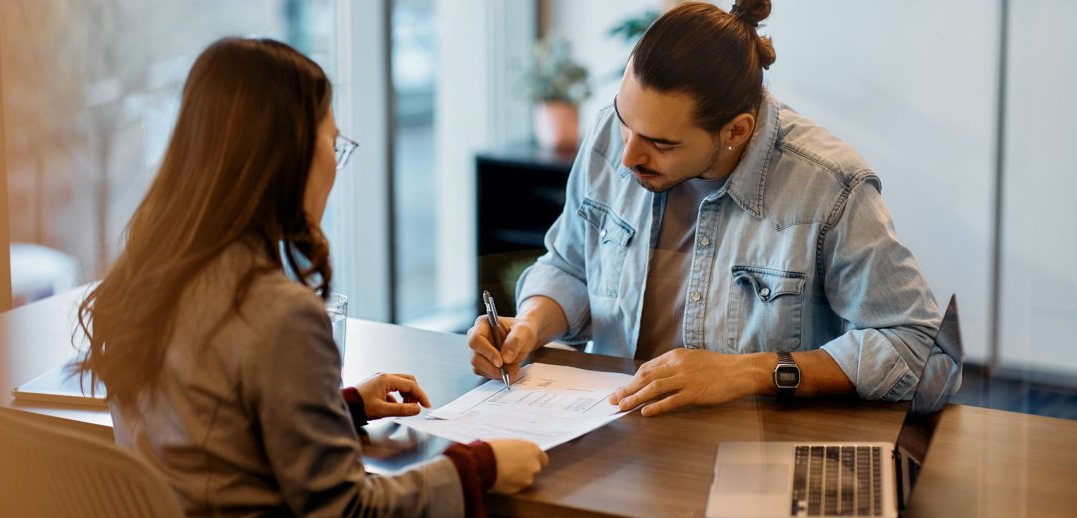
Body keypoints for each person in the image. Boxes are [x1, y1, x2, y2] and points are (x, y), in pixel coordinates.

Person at [75, 37, 546, 517]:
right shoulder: (277, 312)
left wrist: (336, 408)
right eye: (333, 142)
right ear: (288, 155)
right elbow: (345, 510)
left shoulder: (147, 280)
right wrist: (477, 466)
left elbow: (212, 438)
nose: (335, 168)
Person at [467, 1, 942, 417]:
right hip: (610, 429)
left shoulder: (829, 185)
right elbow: (571, 267)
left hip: (754, 448)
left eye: (660, 143)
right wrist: (529, 325)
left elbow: (919, 348)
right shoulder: (613, 136)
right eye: (624, 120)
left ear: (736, 131)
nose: (628, 154)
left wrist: (749, 373)